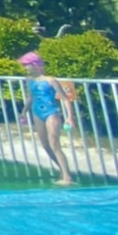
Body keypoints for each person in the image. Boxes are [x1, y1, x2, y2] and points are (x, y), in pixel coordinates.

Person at [19, 51, 75, 186]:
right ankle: (63, 170)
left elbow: (65, 99)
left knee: (54, 144)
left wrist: (69, 117)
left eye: (27, 65)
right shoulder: (29, 81)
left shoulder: (50, 80)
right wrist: (23, 112)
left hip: (51, 113)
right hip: (36, 112)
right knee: (45, 145)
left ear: (34, 65)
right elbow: (30, 97)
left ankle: (67, 177)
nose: (26, 68)